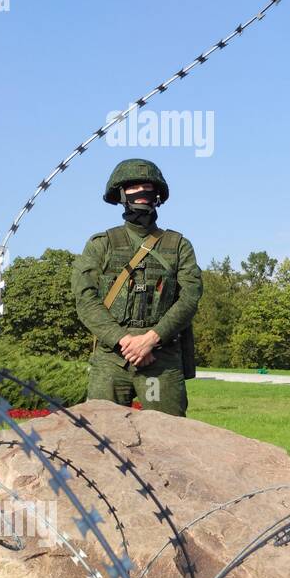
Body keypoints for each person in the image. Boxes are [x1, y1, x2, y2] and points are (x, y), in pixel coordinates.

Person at [72, 158, 201, 416]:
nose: (142, 193)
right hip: (112, 359)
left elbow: (190, 298)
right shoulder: (101, 244)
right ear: (121, 193)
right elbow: (84, 298)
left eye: (148, 187)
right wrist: (123, 340)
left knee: (168, 440)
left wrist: (151, 339)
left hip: (159, 359)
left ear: (158, 195)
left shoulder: (178, 246)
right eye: (133, 187)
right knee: (102, 438)